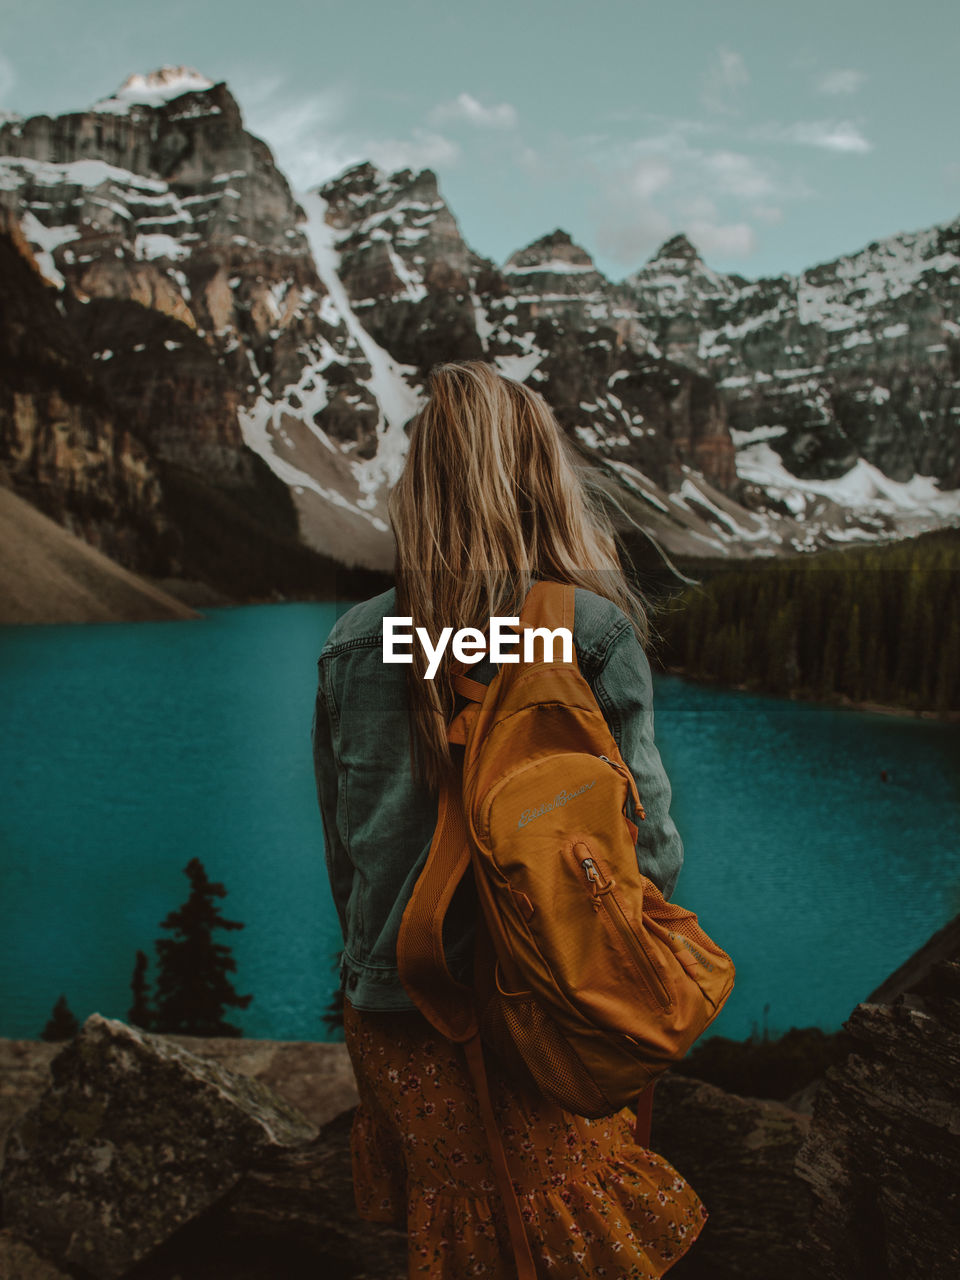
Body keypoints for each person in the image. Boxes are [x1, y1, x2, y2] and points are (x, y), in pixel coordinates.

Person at [311, 360, 706, 1277]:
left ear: (422, 485)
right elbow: (648, 856)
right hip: (545, 1005)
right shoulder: (585, 631)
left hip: (397, 1010)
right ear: (537, 477)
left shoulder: (354, 641)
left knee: (454, 1244)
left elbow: (347, 856)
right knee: (563, 1246)